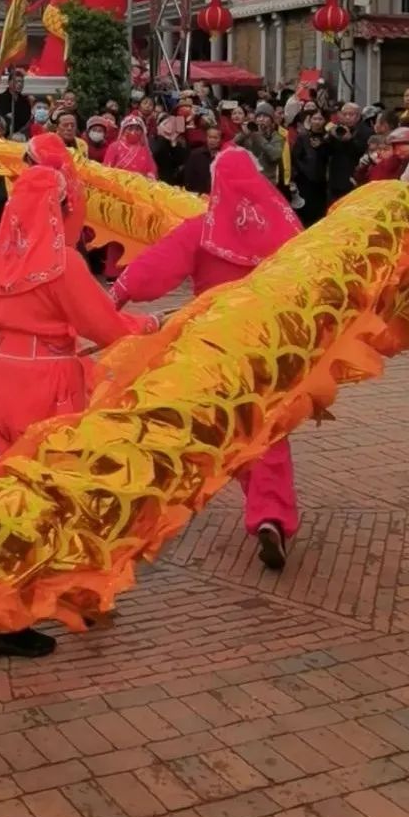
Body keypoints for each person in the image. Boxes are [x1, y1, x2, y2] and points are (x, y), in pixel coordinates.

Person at [0, 163, 157, 658]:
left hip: (6, 379)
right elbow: (105, 327)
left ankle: (64, 594)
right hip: (52, 383)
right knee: (63, 495)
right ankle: (24, 607)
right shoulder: (61, 264)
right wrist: (146, 326)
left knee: (18, 493)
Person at [112, 146, 303, 570]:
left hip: (215, 346)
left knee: (223, 426)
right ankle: (270, 514)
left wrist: (116, 296)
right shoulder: (289, 232)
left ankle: (149, 511)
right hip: (271, 346)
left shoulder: (203, 229)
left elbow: (154, 267)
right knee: (268, 428)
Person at [291, 111, 330, 226]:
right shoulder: (303, 137)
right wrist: (304, 172)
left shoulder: (328, 138)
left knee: (320, 214)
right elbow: (296, 157)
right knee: (305, 213)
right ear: (310, 120)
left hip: (322, 182)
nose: (317, 122)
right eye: (315, 119)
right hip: (304, 181)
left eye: (320, 119)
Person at [326, 103, 368, 202]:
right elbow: (328, 152)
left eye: (351, 114)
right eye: (345, 114)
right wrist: (330, 136)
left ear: (358, 116)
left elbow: (362, 152)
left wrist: (349, 140)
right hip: (336, 180)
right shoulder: (337, 129)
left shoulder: (365, 131)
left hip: (354, 179)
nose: (347, 117)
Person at [105, 114, 157, 179]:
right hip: (118, 184)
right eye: (130, 129)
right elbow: (107, 168)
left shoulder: (144, 149)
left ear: (142, 132)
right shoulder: (114, 147)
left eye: (137, 129)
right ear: (123, 130)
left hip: (140, 185)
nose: (133, 132)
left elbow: (152, 168)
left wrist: (150, 176)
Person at [182, 124, 222, 195]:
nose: (212, 140)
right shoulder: (195, 154)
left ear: (220, 139)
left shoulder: (223, 156)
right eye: (210, 137)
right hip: (197, 195)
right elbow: (188, 176)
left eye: (215, 138)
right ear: (206, 138)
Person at [0, 68, 33, 137]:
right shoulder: (1, 98)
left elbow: (27, 120)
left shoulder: (25, 101)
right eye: (16, 81)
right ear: (9, 83)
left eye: (21, 82)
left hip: (21, 135)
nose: (19, 84)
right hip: (4, 134)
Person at [151, 115, 186, 186]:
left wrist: (174, 143)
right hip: (158, 180)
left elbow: (181, 160)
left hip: (173, 181)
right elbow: (156, 153)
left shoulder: (178, 141)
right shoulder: (157, 139)